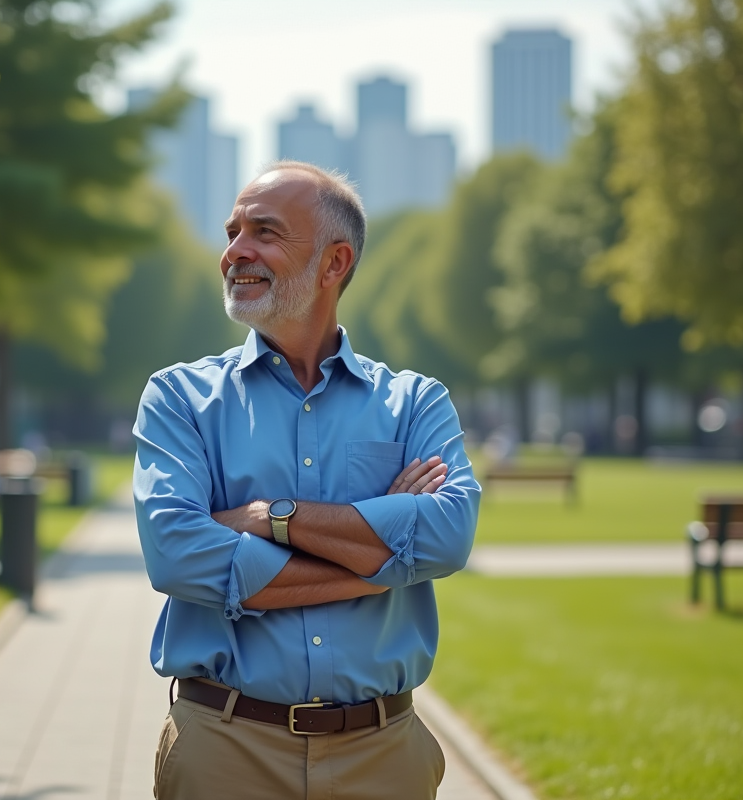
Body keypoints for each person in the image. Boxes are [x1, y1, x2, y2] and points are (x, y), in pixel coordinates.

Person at [133, 161, 480, 799]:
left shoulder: (417, 403)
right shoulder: (179, 398)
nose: (235, 252)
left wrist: (271, 518)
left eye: (264, 232)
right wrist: (379, 554)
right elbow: (179, 556)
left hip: (384, 756)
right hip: (225, 749)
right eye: (233, 231)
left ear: (333, 262)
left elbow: (447, 537)